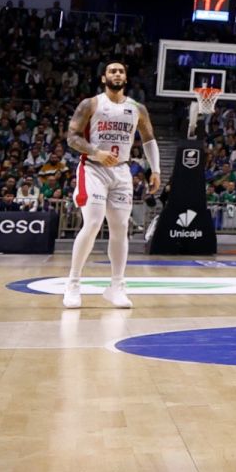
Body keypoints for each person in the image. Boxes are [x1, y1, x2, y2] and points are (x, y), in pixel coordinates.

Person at [61, 62, 160, 310]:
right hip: (93, 168)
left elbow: (148, 140)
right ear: (104, 77)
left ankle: (116, 286)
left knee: (120, 228)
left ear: (126, 77)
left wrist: (156, 170)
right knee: (93, 223)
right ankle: (73, 283)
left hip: (122, 171)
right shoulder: (91, 103)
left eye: (121, 71)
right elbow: (72, 137)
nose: (117, 74)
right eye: (112, 71)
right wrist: (96, 151)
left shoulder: (137, 108)